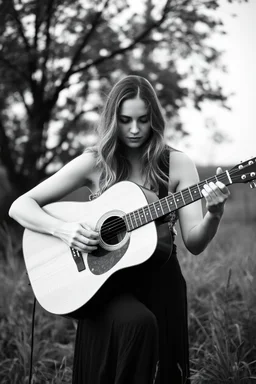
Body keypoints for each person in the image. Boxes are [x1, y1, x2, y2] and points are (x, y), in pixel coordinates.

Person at [9, 75, 230, 384]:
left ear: (154, 118)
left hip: (161, 279)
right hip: (104, 284)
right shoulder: (95, 162)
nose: (136, 129)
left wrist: (215, 214)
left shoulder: (178, 165)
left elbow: (194, 241)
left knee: (163, 365)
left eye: (143, 120)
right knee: (138, 325)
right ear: (113, 120)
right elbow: (21, 205)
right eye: (126, 120)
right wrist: (63, 230)